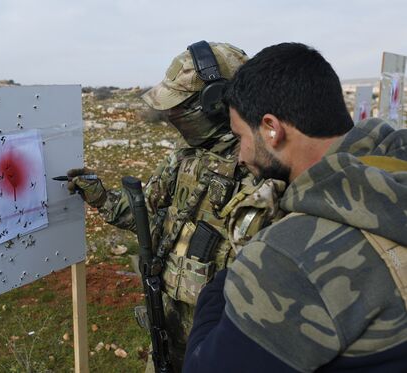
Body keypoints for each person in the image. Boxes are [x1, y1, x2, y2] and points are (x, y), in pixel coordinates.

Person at [184, 42, 407, 372]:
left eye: (240, 136)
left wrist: (222, 286)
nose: (241, 156)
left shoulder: (287, 259)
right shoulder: (394, 170)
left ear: (272, 129)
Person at [68, 41, 285, 371]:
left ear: (216, 104)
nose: (172, 118)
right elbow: (146, 219)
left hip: (223, 344)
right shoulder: (183, 161)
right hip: (168, 334)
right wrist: (98, 195)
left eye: (180, 109)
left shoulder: (265, 171)